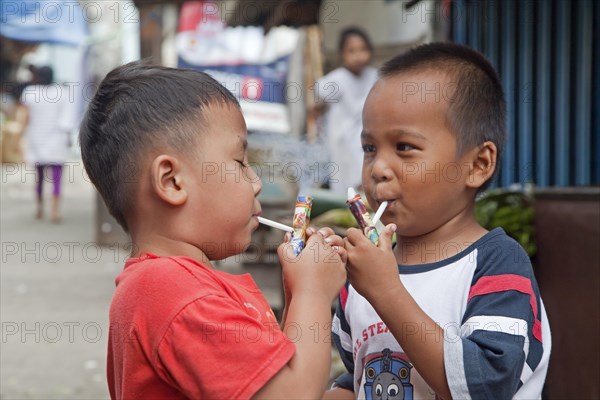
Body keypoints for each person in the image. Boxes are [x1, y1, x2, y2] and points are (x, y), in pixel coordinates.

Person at [79, 61, 347, 399]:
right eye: (240, 163)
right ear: (172, 181)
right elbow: (291, 394)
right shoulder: (177, 294)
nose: (256, 183)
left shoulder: (170, 285)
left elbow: (270, 377)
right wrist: (313, 294)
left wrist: (297, 290)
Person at [325, 43, 551, 399]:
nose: (379, 169)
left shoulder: (496, 266)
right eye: (369, 148)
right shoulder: (360, 278)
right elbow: (356, 376)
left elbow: (485, 386)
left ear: (477, 165)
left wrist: (386, 291)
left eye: (404, 147)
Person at [315, 26, 378, 195]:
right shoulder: (337, 79)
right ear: (343, 53)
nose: (358, 56)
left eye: (362, 49)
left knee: (363, 174)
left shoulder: (374, 76)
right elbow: (319, 99)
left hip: (365, 136)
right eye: (352, 51)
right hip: (341, 139)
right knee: (344, 180)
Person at [19, 66, 73, 222]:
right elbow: (67, 119)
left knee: (39, 177)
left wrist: (19, 137)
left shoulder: (30, 93)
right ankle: (55, 211)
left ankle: (39, 208)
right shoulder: (62, 93)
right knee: (57, 178)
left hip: (37, 138)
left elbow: (25, 118)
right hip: (57, 139)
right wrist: (69, 138)